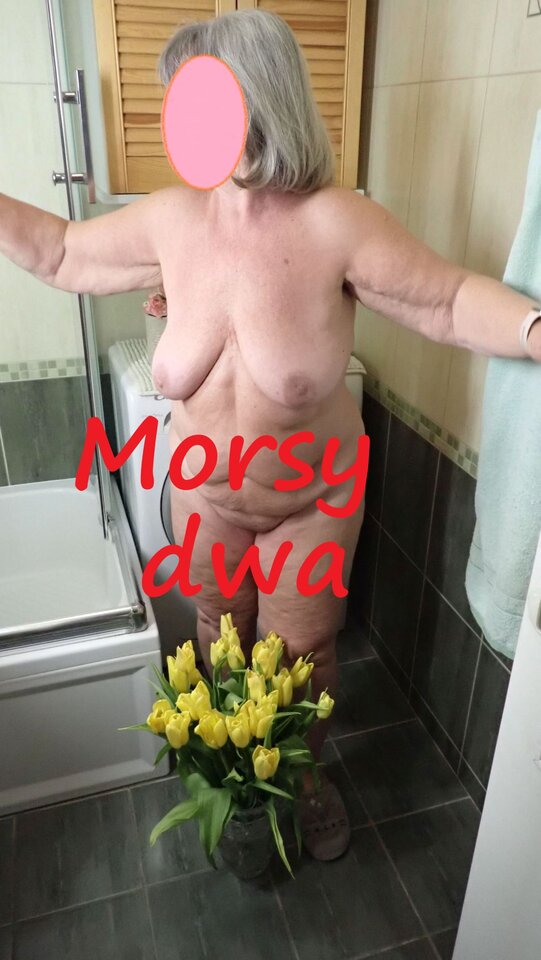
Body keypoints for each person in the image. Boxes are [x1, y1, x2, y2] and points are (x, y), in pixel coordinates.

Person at [1, 9, 540, 862]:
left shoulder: (337, 222)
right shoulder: (172, 219)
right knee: (219, 636)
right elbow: (63, 252)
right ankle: (237, 767)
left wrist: (532, 328)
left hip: (308, 502)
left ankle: (306, 777)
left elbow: (444, 301)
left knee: (303, 653)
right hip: (206, 494)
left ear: (258, 100)